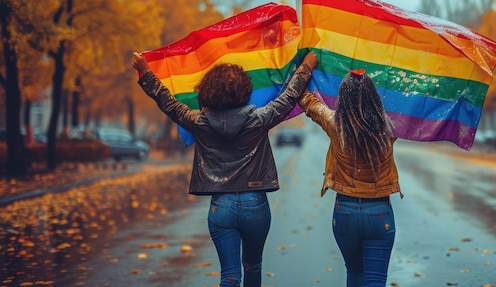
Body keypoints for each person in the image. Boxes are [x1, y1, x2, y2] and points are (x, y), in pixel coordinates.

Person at [132, 51, 318, 287]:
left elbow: (167, 102)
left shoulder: (198, 122)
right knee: (253, 265)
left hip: (221, 206)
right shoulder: (260, 119)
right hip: (255, 204)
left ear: (208, 91)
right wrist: (306, 67)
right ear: (244, 90)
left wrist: (146, 71)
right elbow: (290, 96)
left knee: (229, 275)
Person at [298, 68, 401, 287]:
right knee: (375, 280)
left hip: (345, 212)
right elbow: (408, 103)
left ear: (342, 98)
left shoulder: (335, 124)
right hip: (379, 213)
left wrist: (303, 68)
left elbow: (308, 102)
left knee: (354, 272)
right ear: (374, 96)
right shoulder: (389, 128)